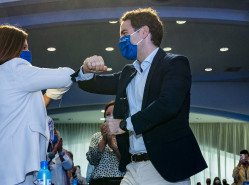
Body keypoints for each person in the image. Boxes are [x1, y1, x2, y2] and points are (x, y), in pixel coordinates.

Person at [71, 7, 207, 184]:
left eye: (124, 33)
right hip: (132, 167)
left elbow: (168, 105)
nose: (120, 40)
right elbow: (92, 83)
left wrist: (125, 124)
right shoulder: (129, 72)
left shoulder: (174, 64)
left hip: (164, 168)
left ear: (143, 32)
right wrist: (85, 70)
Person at [0, 25, 74, 185]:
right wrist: (84, 71)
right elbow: (66, 76)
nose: (28, 51)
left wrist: (48, 95)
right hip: (15, 169)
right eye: (24, 47)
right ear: (10, 48)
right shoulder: (15, 69)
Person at [86, 101, 125, 185]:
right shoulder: (97, 136)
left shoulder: (127, 136)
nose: (111, 117)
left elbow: (126, 161)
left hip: (120, 181)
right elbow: (92, 160)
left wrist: (112, 146)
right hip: (98, 181)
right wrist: (104, 139)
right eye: (108, 114)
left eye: (114, 113)